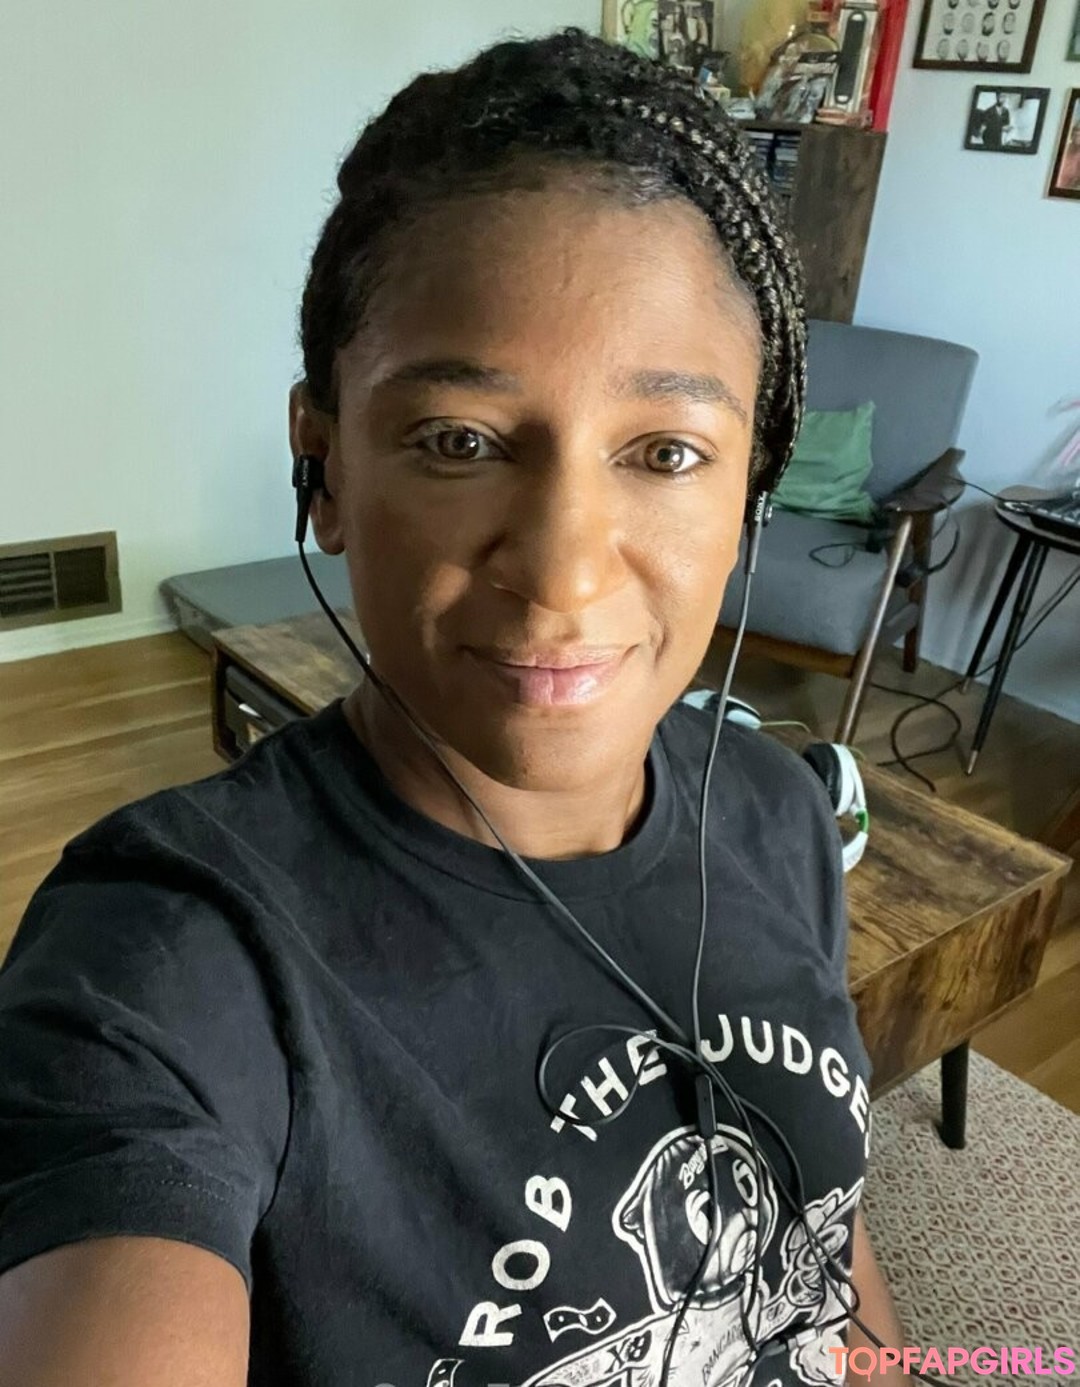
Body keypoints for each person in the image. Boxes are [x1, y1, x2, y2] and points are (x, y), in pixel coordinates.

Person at [0, 28, 911, 1387]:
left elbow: (822, 1243)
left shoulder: (779, 818)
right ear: (323, 464)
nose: (561, 570)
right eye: (460, 442)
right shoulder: (167, 959)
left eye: (666, 453)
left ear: (750, 498)